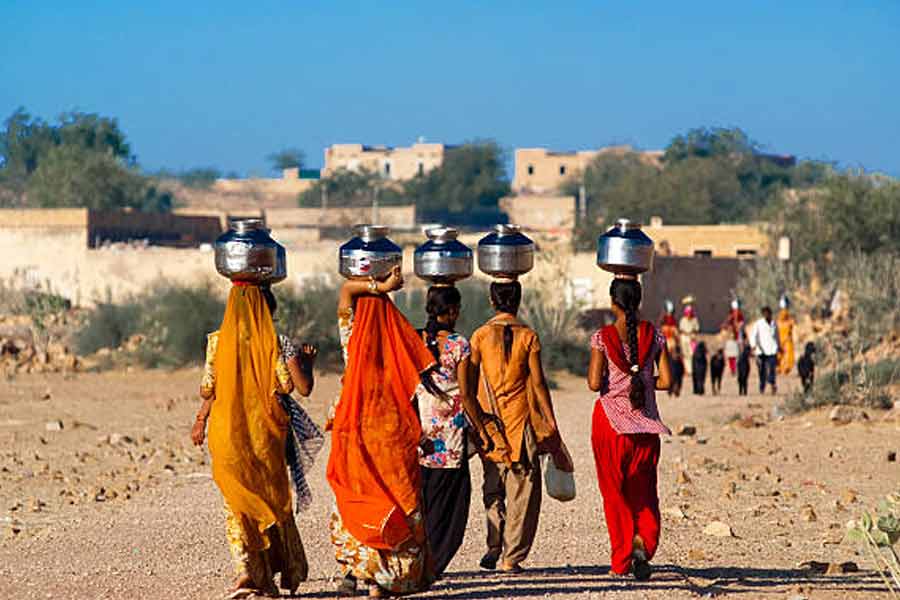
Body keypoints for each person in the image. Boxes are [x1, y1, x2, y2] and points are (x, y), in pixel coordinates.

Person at [192, 283, 318, 598]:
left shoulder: (217, 342)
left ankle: (247, 572)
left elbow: (209, 387)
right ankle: (276, 571)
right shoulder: (277, 343)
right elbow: (292, 387)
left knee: (236, 503)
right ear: (268, 312)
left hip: (226, 435)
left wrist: (200, 420)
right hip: (264, 437)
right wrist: (307, 364)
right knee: (271, 502)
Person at [327, 265, 441, 598]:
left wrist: (379, 286)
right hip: (391, 430)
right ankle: (382, 581)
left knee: (358, 497)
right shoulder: (398, 337)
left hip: (354, 426)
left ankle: (357, 570)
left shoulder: (351, 331)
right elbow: (410, 393)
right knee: (395, 500)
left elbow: (347, 289)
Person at [467, 279, 572, 574]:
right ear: (518, 301)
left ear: (492, 301)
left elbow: (470, 384)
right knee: (523, 493)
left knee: (492, 487)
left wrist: (476, 422)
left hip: (489, 426)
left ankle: (493, 543)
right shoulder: (529, 336)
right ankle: (511, 557)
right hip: (521, 424)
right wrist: (551, 423)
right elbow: (538, 385)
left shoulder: (480, 336)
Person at [587, 276, 672, 581]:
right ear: (639, 300)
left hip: (610, 426)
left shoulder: (602, 337)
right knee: (645, 493)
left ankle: (621, 560)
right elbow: (667, 381)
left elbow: (595, 383)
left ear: (613, 303)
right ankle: (642, 544)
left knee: (614, 493)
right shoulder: (656, 336)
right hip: (646, 429)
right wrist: (643, 382)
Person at [416, 285, 486, 576]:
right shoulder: (459, 344)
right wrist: (481, 429)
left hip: (421, 433)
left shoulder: (415, 339)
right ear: (454, 310)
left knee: (424, 502)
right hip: (452, 439)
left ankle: (416, 562)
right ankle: (433, 565)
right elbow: (467, 394)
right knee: (451, 510)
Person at [749, 306, 780, 395]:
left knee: (772, 368)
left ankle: (772, 384)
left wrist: (779, 346)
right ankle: (762, 386)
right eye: (765, 314)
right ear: (763, 315)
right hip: (761, 351)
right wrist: (753, 345)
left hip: (772, 349)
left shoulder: (774, 324)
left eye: (768, 313)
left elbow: (777, 336)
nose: (767, 315)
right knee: (762, 370)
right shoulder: (759, 324)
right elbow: (753, 335)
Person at [678, 299, 700, 375]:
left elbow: (697, 329)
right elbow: (681, 329)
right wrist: (686, 333)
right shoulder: (682, 320)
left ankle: (693, 369)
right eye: (687, 313)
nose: (688, 315)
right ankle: (688, 370)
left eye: (690, 313)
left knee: (692, 354)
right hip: (684, 339)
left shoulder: (695, 320)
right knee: (685, 354)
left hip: (692, 338)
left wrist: (692, 332)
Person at [776, 295, 797, 375]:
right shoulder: (782, 317)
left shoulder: (788, 317)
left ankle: (783, 369)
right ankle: (780, 368)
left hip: (786, 338)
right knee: (780, 354)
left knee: (787, 355)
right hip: (782, 337)